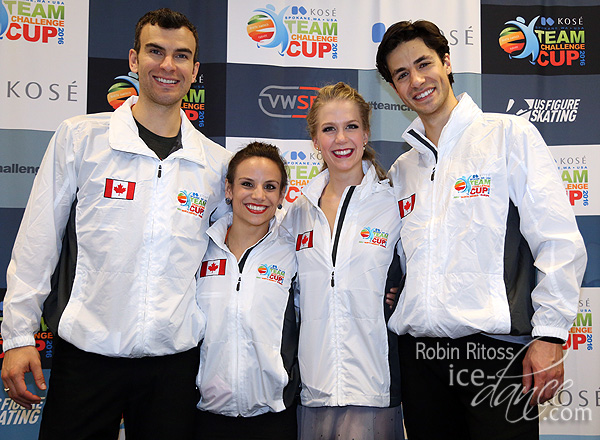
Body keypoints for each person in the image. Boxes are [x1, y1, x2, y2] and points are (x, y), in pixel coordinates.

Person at [1, 8, 231, 439]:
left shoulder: (215, 165)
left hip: (174, 367)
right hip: (87, 358)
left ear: (195, 70)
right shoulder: (80, 138)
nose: (167, 65)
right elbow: (37, 242)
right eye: (155, 51)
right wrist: (16, 336)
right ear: (133, 60)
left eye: (181, 56)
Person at [376, 20, 587, 439]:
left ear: (447, 62)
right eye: (402, 74)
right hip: (419, 359)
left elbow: (558, 240)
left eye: (423, 64)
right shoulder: (404, 170)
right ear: (394, 88)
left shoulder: (508, 135)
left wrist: (550, 335)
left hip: (494, 354)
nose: (416, 80)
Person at [282, 82, 404, 439]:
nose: (341, 139)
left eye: (351, 126)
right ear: (315, 141)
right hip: (315, 387)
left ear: (366, 133)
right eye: (329, 129)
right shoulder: (297, 212)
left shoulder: (394, 202)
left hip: (374, 387)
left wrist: (402, 293)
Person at [194, 142, 299, 440]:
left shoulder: (294, 253)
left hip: (274, 419)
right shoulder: (200, 249)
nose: (258, 195)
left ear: (281, 196)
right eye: (247, 184)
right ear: (228, 190)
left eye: (269, 187)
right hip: (205, 419)